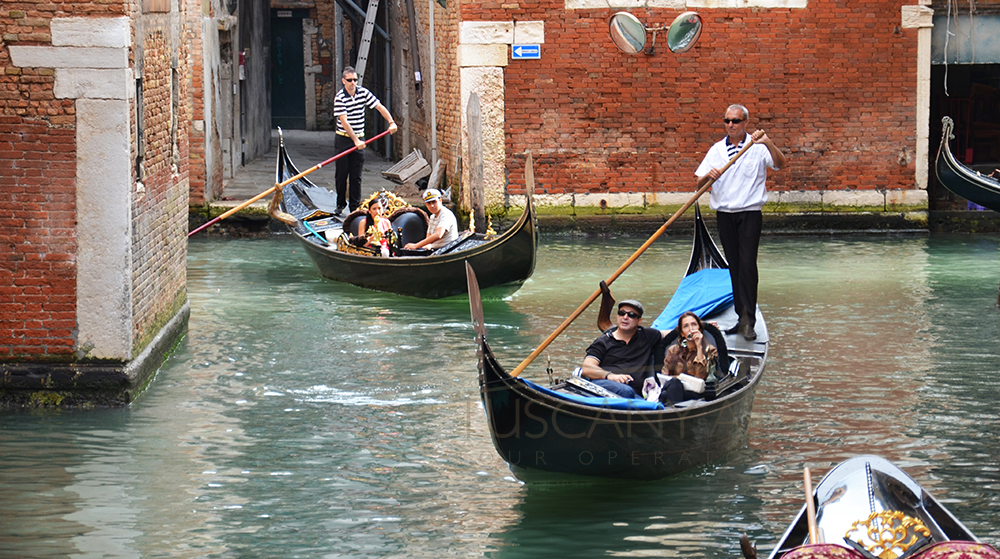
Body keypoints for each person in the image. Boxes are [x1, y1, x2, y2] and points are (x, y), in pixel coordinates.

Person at [695, 104, 786, 341]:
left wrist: (767, 142)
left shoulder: (756, 147)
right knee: (734, 267)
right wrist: (708, 177)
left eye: (735, 121)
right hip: (725, 215)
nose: (730, 125)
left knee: (747, 265)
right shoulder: (716, 150)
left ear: (745, 122)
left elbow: (780, 163)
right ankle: (740, 317)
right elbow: (699, 186)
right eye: (727, 121)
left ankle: (749, 321)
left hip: (749, 214)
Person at [333, 66, 398, 215]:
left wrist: (391, 122)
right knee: (342, 174)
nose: (353, 83)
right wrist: (355, 140)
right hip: (343, 140)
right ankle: (340, 204)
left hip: (359, 139)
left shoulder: (363, 92)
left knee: (356, 175)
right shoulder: (339, 98)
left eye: (355, 80)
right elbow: (344, 121)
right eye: (349, 80)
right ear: (344, 81)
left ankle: (354, 207)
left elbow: (379, 107)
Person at [581, 299, 669, 399]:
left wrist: (688, 327)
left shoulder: (647, 335)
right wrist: (611, 376)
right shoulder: (603, 341)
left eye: (631, 314)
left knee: (650, 405)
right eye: (622, 313)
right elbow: (587, 368)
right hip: (604, 388)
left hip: (633, 395)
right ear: (617, 316)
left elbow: (673, 332)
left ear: (639, 321)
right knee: (625, 391)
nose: (625, 317)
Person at [658, 311, 719, 404]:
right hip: (674, 389)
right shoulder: (673, 350)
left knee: (672, 388)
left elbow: (701, 377)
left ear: (699, 329)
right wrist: (680, 379)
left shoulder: (710, 350)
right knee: (672, 385)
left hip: (698, 394)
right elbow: (664, 377)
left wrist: (699, 347)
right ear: (682, 333)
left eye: (694, 324)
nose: (691, 329)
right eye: (686, 326)